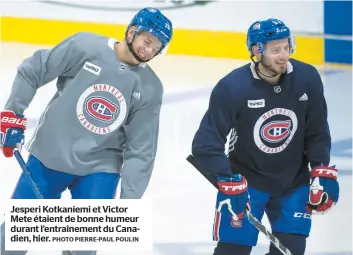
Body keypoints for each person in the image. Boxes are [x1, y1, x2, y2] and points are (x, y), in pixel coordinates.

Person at [0, 7, 173, 255]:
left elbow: (141, 149)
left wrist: (129, 202)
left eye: (156, 48)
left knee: (82, 249)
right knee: (13, 241)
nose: (149, 51)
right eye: (147, 42)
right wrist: (13, 114)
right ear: (132, 31)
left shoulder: (150, 88)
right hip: (50, 156)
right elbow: (33, 69)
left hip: (99, 170)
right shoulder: (85, 47)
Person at [191, 18, 339, 255]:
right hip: (247, 182)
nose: (283, 55)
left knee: (291, 251)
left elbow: (317, 130)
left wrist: (320, 170)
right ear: (256, 50)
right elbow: (205, 144)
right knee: (232, 251)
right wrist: (228, 179)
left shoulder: (307, 78)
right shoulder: (233, 87)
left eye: (286, 47)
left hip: (294, 182)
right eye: (275, 50)